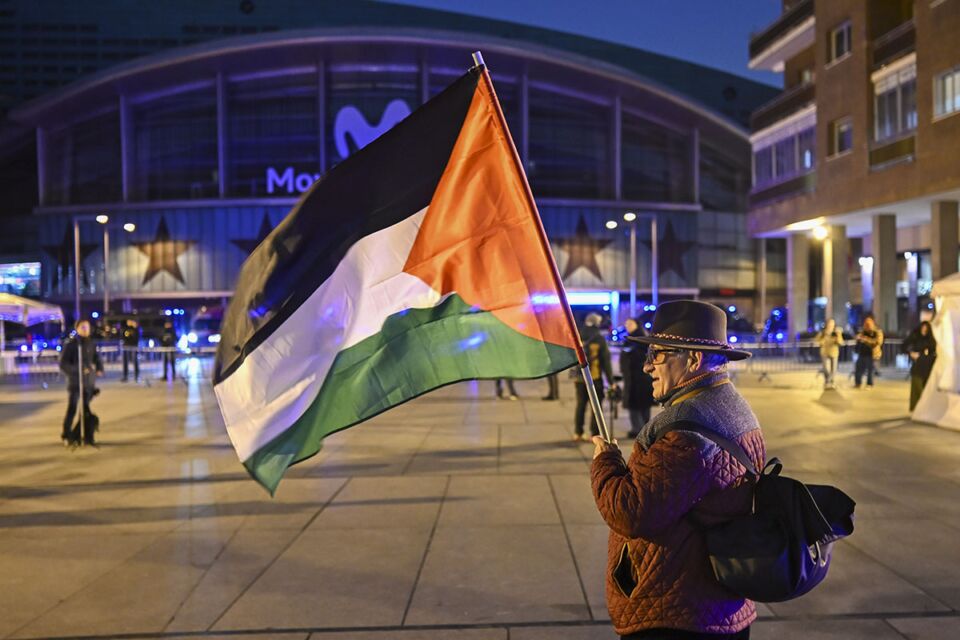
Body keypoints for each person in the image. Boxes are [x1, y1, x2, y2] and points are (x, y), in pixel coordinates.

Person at [590, 300, 763, 639]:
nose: (647, 366)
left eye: (656, 354)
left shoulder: (687, 430)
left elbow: (631, 512)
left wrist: (605, 461)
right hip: (716, 602)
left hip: (679, 612)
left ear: (693, 358)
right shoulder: (736, 407)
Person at [59, 319, 104, 447]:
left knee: (85, 410)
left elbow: (97, 358)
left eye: (87, 327)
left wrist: (100, 368)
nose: (86, 330)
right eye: (83, 327)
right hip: (75, 383)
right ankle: (66, 434)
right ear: (77, 328)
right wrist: (78, 370)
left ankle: (83, 434)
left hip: (88, 383)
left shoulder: (91, 343)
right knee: (72, 409)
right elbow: (63, 364)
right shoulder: (71, 344)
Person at [573, 313, 616, 441]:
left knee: (580, 405)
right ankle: (594, 434)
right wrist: (611, 381)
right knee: (596, 407)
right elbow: (606, 362)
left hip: (580, 379)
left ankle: (578, 432)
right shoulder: (599, 338)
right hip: (594, 378)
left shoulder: (579, 335)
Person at [619, 318, 654, 438]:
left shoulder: (641, 339)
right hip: (635, 378)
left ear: (637, 324)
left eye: (629, 323)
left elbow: (644, 357)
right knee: (641, 404)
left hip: (639, 378)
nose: (627, 325)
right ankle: (642, 429)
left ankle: (638, 429)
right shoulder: (632, 338)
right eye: (626, 323)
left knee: (637, 405)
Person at [904, 320, 937, 411]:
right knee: (916, 386)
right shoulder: (915, 336)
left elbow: (933, 351)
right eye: (923, 328)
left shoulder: (931, 339)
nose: (924, 330)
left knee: (926, 387)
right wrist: (911, 353)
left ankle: (924, 407)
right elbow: (904, 345)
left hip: (928, 364)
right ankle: (916, 407)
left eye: (926, 329)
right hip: (918, 365)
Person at [854, 315, 883, 389]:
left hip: (871, 354)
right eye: (866, 323)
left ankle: (869, 384)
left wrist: (866, 340)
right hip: (862, 353)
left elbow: (878, 342)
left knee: (870, 370)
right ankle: (858, 383)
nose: (867, 325)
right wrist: (858, 338)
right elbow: (858, 338)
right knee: (858, 368)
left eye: (868, 324)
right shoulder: (863, 332)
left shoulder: (877, 332)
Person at [815, 318, 844, 389]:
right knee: (825, 368)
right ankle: (827, 381)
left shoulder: (836, 333)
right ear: (827, 324)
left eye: (832, 323)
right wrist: (823, 339)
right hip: (824, 352)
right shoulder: (822, 333)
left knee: (833, 369)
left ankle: (830, 382)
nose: (831, 325)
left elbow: (841, 342)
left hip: (834, 353)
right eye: (829, 323)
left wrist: (838, 336)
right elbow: (817, 341)